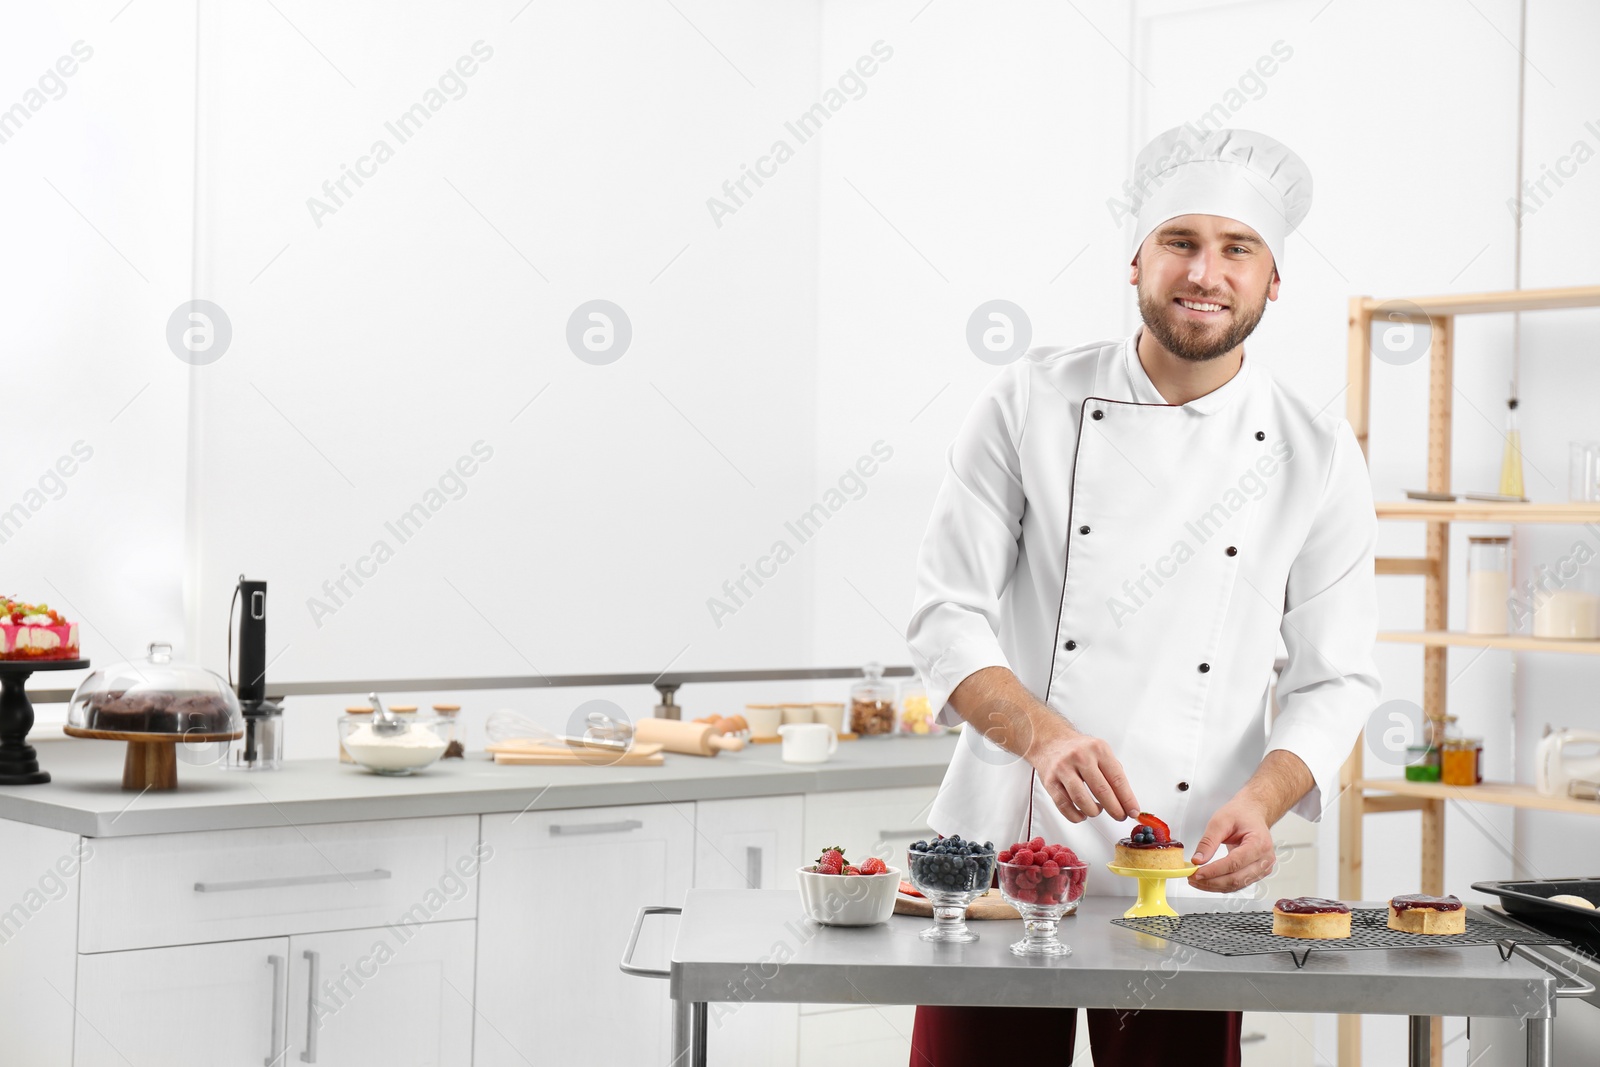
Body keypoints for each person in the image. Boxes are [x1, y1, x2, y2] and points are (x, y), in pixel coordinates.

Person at [903, 126, 1381, 1066]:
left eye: (1238, 248)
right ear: (1135, 260)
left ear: (1274, 277)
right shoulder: (1027, 400)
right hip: (1002, 854)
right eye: (1181, 241)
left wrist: (1266, 799)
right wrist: (1043, 733)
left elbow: (1337, 680)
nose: (1206, 272)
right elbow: (944, 611)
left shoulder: (1316, 452)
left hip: (1193, 879)